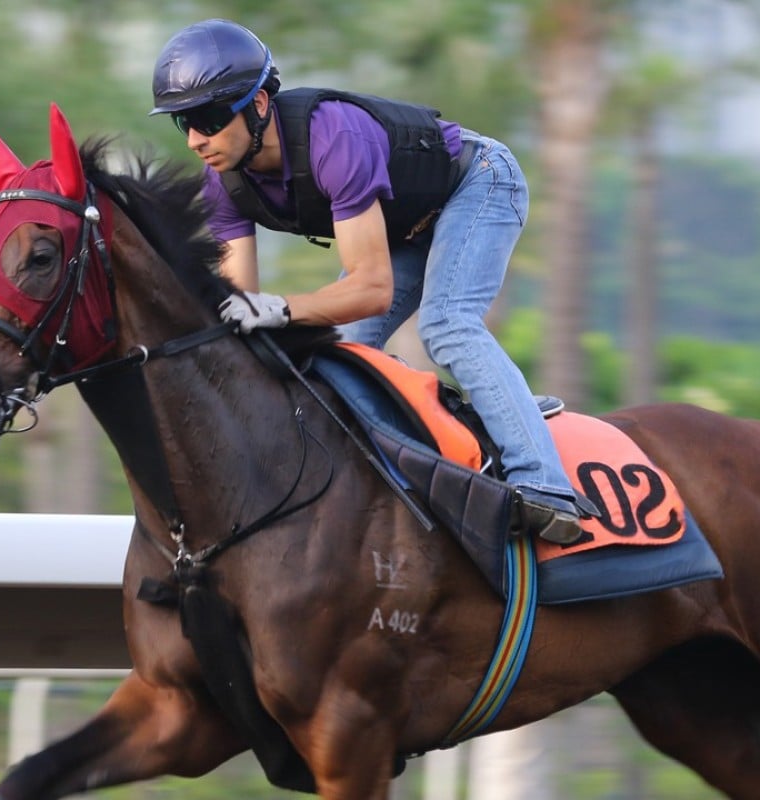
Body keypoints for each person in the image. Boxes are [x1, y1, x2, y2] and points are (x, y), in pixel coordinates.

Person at [150, 19, 586, 544]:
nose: (197, 140)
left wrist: (282, 309)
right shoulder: (222, 183)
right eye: (183, 124)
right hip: (403, 224)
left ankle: (547, 486)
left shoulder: (334, 137)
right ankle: (475, 429)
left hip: (477, 183)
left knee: (447, 324)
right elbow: (237, 309)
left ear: (261, 104)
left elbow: (371, 289)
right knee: (349, 354)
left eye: (209, 118)